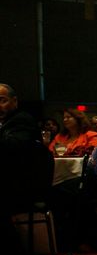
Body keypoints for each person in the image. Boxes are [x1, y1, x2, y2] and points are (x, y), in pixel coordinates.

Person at [0, 84, 41, 242]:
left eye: (2, 101)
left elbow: (14, 149)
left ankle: (11, 244)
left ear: (15, 101)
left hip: (22, 186)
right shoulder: (5, 124)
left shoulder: (22, 120)